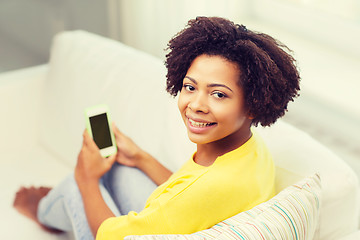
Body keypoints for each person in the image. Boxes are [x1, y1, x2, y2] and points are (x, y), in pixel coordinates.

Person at [13, 16, 300, 240]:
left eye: (219, 94)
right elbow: (185, 192)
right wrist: (141, 157)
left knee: (76, 188)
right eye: (190, 87)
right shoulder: (251, 149)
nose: (196, 104)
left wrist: (86, 179)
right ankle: (61, 202)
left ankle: (46, 211)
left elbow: (111, 235)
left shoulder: (208, 189)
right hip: (186, 217)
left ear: (253, 104)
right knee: (121, 168)